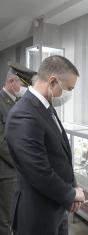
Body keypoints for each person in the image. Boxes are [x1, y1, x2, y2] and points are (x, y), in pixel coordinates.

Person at [5, 55, 85, 235]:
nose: (68, 94)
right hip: (37, 214)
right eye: (68, 88)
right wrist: (70, 194)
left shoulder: (45, 107)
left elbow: (60, 155)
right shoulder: (24, 114)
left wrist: (73, 186)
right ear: (53, 81)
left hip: (55, 207)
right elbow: (38, 169)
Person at [0, 63, 36, 235]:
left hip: (19, 170)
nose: (25, 89)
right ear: (11, 81)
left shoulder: (19, 102)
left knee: (18, 214)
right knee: (5, 218)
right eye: (23, 84)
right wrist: (22, 162)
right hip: (7, 172)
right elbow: (1, 143)